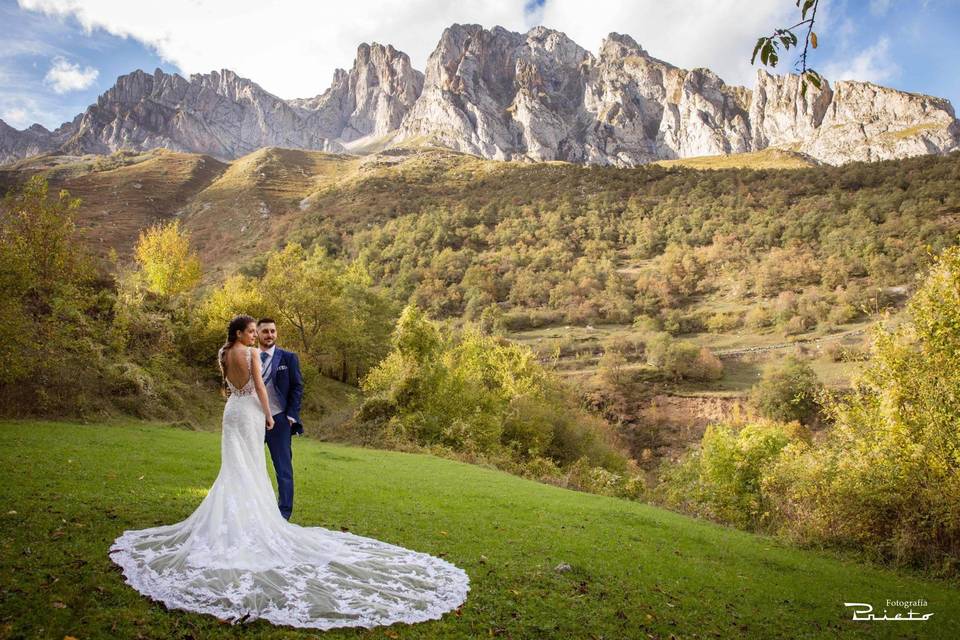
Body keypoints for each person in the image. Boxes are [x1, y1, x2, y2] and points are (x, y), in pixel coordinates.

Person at [108, 315, 469, 630]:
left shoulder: (223, 354)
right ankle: (257, 520)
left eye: (257, 331)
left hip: (231, 412)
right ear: (240, 334)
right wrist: (268, 415)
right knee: (250, 467)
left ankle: (241, 516)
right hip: (250, 412)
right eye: (250, 331)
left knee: (238, 467)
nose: (254, 336)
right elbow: (260, 388)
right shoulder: (249, 354)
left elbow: (231, 386)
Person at [256, 317, 303, 520]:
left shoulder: (288, 358)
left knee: (283, 469)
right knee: (250, 465)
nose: (270, 335)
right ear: (257, 333)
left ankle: (284, 514)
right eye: (265, 331)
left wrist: (291, 415)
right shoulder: (249, 357)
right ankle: (254, 508)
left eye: (273, 331)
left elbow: (297, 386)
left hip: (280, 420)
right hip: (253, 420)